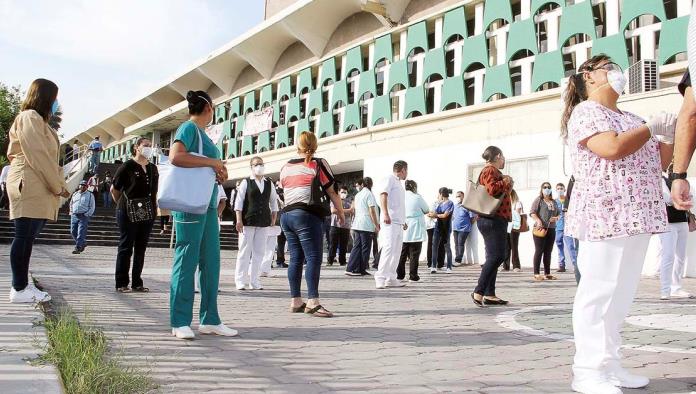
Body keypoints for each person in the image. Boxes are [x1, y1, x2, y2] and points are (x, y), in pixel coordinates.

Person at [562, 54, 675, 393]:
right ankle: (587, 371)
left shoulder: (631, 116)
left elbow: (658, 162)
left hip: (637, 214)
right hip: (604, 213)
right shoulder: (586, 113)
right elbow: (610, 148)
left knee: (622, 294)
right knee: (598, 292)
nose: (617, 73)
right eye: (608, 68)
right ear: (589, 76)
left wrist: (666, 136)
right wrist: (649, 129)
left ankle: (609, 363)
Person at [168, 90, 237, 339]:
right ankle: (180, 320)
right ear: (208, 108)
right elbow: (176, 156)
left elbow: (204, 164)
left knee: (211, 261)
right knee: (187, 258)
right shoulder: (189, 128)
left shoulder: (203, 135)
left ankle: (210, 318)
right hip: (189, 203)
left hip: (206, 204)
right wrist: (213, 163)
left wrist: (218, 170)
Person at [6, 79, 70, 303]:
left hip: (37, 182)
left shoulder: (41, 122)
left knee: (28, 237)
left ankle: (22, 285)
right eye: (55, 97)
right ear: (46, 97)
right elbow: (38, 154)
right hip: (30, 182)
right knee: (24, 235)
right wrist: (57, 185)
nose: (57, 103)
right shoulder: (29, 117)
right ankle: (19, 287)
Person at [279, 131, 344, 317]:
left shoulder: (285, 167)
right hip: (306, 215)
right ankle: (313, 302)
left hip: (287, 216)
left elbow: (285, 190)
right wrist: (340, 213)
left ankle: (296, 301)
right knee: (314, 257)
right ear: (314, 145)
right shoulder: (318, 163)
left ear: (297, 145)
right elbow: (332, 191)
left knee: (296, 259)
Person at [111, 137, 158, 293]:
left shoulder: (153, 168)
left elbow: (154, 192)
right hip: (127, 210)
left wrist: (153, 210)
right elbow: (115, 189)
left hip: (146, 212)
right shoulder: (127, 166)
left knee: (141, 247)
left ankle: (137, 282)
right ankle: (121, 282)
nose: (148, 148)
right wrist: (122, 205)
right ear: (137, 147)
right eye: (145, 145)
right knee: (126, 246)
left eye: (150, 146)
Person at [471, 146, 513, 308]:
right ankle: (479, 290)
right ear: (498, 156)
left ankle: (489, 294)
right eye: (503, 157)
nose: (504, 161)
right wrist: (506, 181)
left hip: (492, 218)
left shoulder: (491, 171)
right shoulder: (490, 170)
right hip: (493, 218)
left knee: (493, 256)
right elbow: (492, 189)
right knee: (498, 256)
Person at [234, 156, 279, 291]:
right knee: (244, 251)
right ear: (251, 167)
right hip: (248, 220)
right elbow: (239, 203)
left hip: (263, 221)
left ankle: (255, 281)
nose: (259, 166)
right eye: (256, 164)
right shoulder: (246, 182)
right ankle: (240, 280)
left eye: (261, 164)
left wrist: (273, 219)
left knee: (259, 252)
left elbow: (274, 202)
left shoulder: (269, 183)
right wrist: (239, 220)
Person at [656, 171, 694, 300]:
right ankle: (665, 289)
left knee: (680, 256)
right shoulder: (659, 177)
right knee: (668, 255)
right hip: (668, 222)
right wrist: (679, 198)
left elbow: (690, 195)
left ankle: (676, 287)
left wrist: (683, 198)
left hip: (682, 220)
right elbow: (666, 198)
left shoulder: (679, 179)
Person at [375, 160, 408, 289]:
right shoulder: (389, 178)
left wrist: (403, 220)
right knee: (388, 248)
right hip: (390, 221)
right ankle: (380, 277)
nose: (407, 174)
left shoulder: (399, 184)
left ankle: (391, 277)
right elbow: (383, 195)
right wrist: (385, 214)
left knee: (397, 251)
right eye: (407, 171)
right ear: (403, 170)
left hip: (398, 222)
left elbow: (398, 204)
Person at [345, 177, 379, 276]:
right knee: (365, 247)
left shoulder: (358, 194)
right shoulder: (369, 194)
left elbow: (354, 209)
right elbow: (371, 210)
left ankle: (351, 268)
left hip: (357, 223)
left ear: (363, 184)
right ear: (371, 185)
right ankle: (361, 269)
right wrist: (376, 225)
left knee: (357, 246)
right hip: (366, 224)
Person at [397, 180, 429, 282]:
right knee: (414, 253)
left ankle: (400, 275)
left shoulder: (401, 197)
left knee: (402, 253)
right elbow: (426, 209)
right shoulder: (417, 197)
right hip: (415, 228)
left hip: (403, 226)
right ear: (414, 187)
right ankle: (413, 275)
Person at [530, 182, 560, 281]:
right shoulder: (539, 200)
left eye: (549, 187)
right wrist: (538, 220)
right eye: (545, 187)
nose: (547, 189)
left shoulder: (554, 202)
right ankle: (536, 273)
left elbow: (559, 213)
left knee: (548, 251)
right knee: (539, 250)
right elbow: (532, 212)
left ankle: (547, 273)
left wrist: (556, 218)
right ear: (542, 189)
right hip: (540, 228)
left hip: (551, 228)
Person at [429, 187, 454, 274]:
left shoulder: (450, 203)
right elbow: (434, 214)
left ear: (441, 194)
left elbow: (445, 215)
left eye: (439, 194)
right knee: (434, 246)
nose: (438, 196)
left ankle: (449, 267)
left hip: (446, 228)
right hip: (438, 227)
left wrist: (436, 215)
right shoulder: (439, 204)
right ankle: (433, 266)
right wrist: (432, 214)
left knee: (447, 247)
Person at [328, 185, 353, 266]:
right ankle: (330, 260)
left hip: (346, 226)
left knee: (344, 245)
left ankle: (342, 261)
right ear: (339, 192)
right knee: (333, 244)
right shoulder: (334, 200)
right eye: (342, 192)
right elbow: (333, 210)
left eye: (345, 192)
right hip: (335, 225)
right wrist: (346, 211)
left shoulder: (350, 201)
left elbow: (352, 211)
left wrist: (339, 210)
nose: (343, 193)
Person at [70, 180, 95, 254]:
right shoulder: (75, 194)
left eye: (84, 185)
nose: (82, 186)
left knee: (81, 232)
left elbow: (92, 206)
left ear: (86, 187)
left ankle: (78, 247)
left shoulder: (90, 195)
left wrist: (87, 214)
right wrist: (71, 211)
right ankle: (83, 242)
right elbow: (71, 203)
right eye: (81, 185)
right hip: (74, 215)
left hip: (83, 215)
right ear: (79, 186)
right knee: (73, 231)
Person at [452, 190, 475, 267]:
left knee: (460, 244)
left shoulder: (467, 206)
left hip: (464, 229)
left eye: (459, 196)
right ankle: (457, 259)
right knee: (456, 244)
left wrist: (467, 225)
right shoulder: (455, 206)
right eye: (457, 196)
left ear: (463, 197)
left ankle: (458, 260)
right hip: (455, 228)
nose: (458, 197)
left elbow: (472, 218)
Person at [503, 190, 522, 272]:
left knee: (514, 247)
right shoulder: (505, 203)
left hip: (514, 227)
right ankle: (505, 266)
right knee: (506, 247)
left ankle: (516, 266)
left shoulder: (517, 203)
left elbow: (517, 214)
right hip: (506, 227)